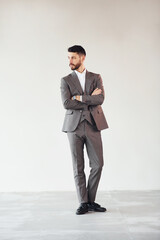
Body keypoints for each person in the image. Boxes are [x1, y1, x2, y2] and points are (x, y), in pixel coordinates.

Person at [60, 45, 109, 215]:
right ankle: (83, 202)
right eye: (68, 58)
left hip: (94, 125)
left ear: (82, 57)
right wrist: (90, 98)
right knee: (78, 166)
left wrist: (79, 97)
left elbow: (101, 98)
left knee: (98, 164)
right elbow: (67, 103)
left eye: (73, 57)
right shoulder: (65, 80)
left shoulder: (96, 77)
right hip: (74, 127)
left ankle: (90, 200)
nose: (70, 61)